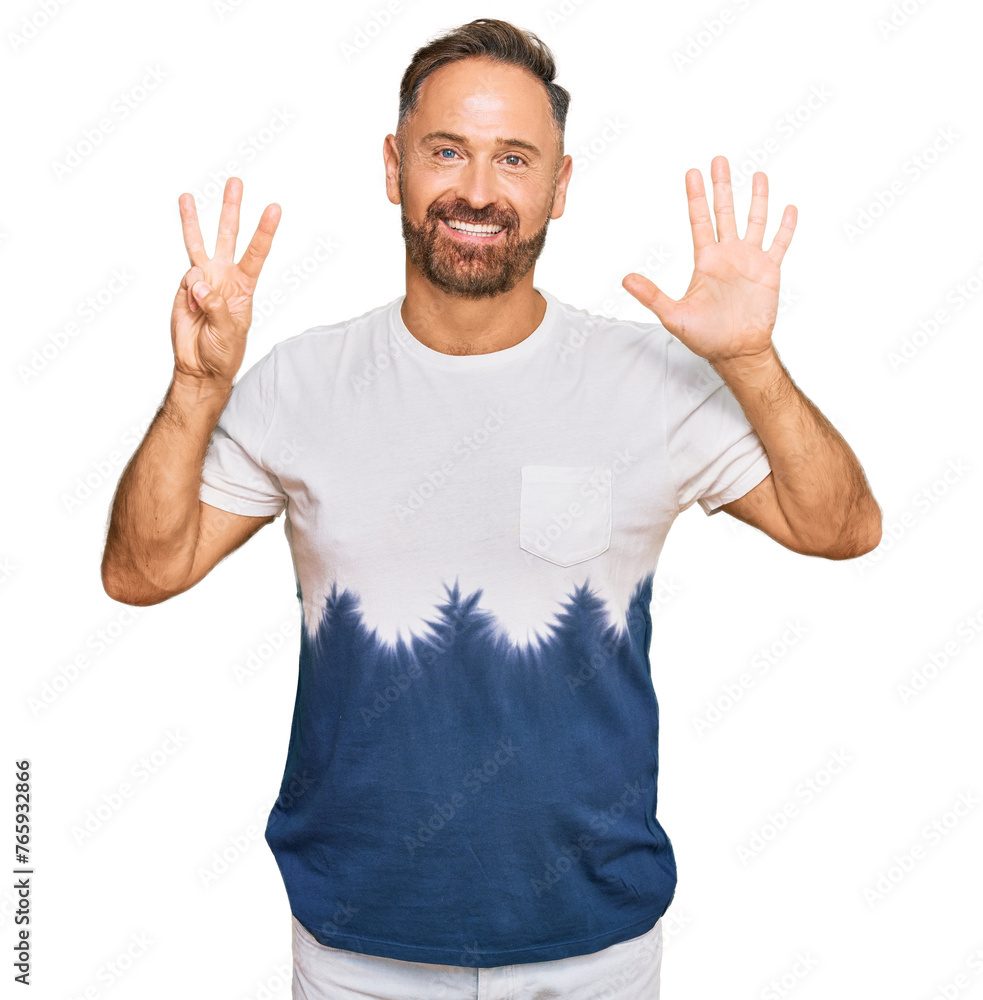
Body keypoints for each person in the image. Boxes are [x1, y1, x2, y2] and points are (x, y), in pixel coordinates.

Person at [100, 17, 882, 1000]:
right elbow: (141, 571)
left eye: (513, 158)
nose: (477, 189)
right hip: (354, 951)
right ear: (394, 167)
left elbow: (838, 526)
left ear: (559, 187)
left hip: (591, 952)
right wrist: (195, 386)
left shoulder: (647, 378)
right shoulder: (298, 381)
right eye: (446, 151)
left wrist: (750, 365)